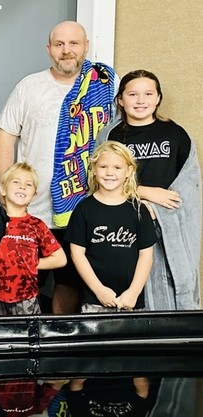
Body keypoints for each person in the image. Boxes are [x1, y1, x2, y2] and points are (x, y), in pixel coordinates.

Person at [96, 69, 202, 417]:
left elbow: (189, 186)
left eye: (148, 94)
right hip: (124, 231)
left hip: (168, 229)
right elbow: (99, 177)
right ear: (120, 99)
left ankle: (172, 374)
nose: (140, 100)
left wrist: (161, 210)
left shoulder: (176, 135)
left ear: (158, 98)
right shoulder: (111, 134)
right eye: (132, 94)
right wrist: (144, 193)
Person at [0, 20, 117, 314]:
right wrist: (4, 189)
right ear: (49, 49)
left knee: (69, 283)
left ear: (86, 46)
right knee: (21, 276)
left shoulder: (105, 86)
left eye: (74, 43)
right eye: (59, 44)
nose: (66, 50)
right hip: (31, 208)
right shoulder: (29, 87)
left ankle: (58, 337)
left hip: (82, 206)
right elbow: (5, 138)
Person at [64, 141, 157, 415]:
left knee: (132, 357)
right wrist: (99, 290)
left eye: (117, 167)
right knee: (91, 355)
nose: (109, 172)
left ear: (129, 171)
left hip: (131, 301)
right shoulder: (84, 209)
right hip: (95, 300)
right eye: (103, 166)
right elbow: (77, 254)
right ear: (94, 169)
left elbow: (146, 255)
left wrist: (133, 292)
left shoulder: (138, 210)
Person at [0, 162, 67, 417]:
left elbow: (60, 259)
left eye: (28, 185)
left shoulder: (36, 225)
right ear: (3, 189)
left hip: (26, 297)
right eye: (16, 182)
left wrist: (33, 263)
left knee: (27, 345)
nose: (22, 188)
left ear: (34, 194)